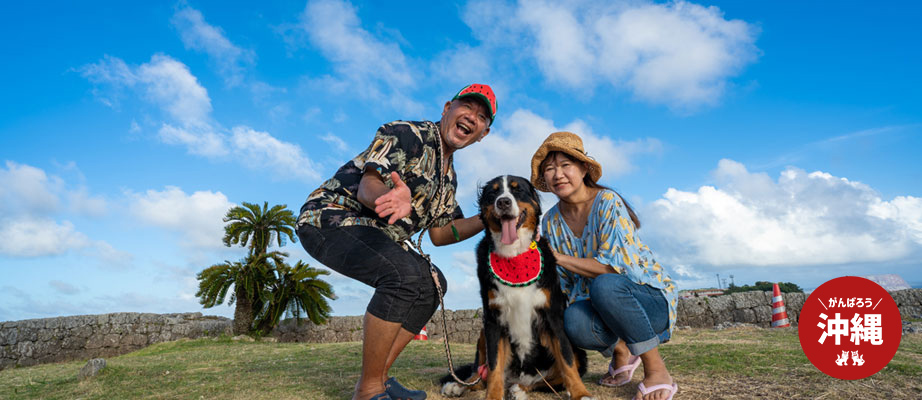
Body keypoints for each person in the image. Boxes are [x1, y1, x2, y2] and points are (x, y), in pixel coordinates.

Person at [296, 84, 497, 400]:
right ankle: (368, 390)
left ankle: (379, 377)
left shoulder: (449, 177)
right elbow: (368, 188)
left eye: (482, 116)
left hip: (377, 235)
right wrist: (389, 198)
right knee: (403, 276)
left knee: (433, 285)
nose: (472, 117)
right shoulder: (406, 133)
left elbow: (442, 233)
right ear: (447, 108)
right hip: (329, 219)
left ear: (483, 133)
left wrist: (488, 218)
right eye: (467, 107)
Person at [530, 131, 679, 400]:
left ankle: (656, 369)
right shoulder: (550, 221)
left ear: (584, 168)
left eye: (565, 165)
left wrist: (558, 257)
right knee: (572, 319)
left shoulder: (608, 202)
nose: (558, 174)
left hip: (647, 301)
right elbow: (562, 283)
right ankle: (621, 351)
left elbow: (612, 269)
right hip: (599, 304)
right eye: (549, 169)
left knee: (606, 285)